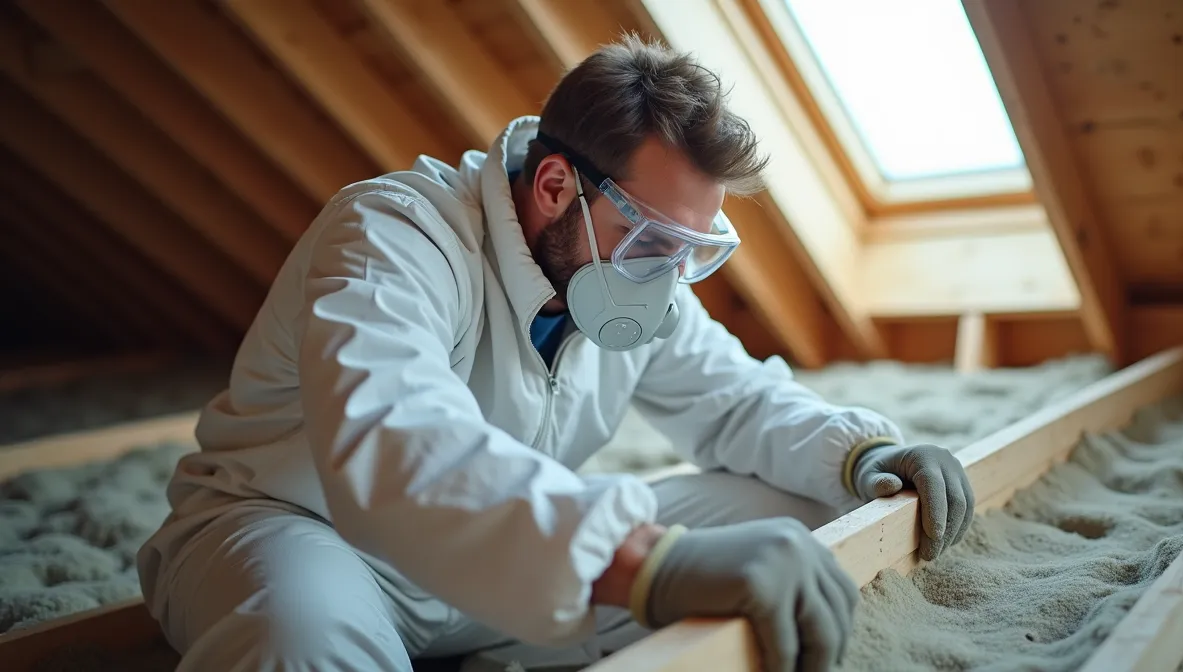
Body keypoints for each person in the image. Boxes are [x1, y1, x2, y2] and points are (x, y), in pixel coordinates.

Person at [136, 34, 974, 672]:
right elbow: (397, 444)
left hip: (503, 565)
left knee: (800, 529)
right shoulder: (394, 233)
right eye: (651, 240)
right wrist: (639, 562)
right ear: (553, 188)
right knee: (299, 643)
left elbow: (736, 401)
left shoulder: (637, 281)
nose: (671, 276)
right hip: (306, 539)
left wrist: (867, 453)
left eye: (693, 250)